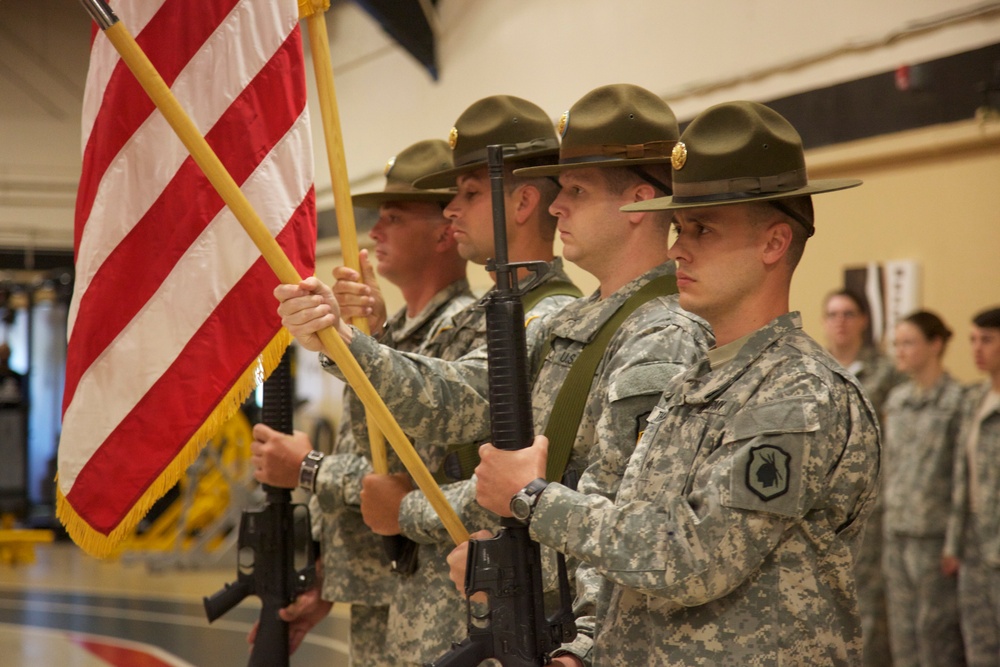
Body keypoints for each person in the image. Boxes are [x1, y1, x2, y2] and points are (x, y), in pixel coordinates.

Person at [473, 100, 881, 665]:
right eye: (681, 226)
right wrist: (586, 647)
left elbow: (696, 556)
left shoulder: (798, 393)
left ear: (774, 243)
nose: (676, 248)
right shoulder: (694, 381)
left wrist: (532, 497)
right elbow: (623, 526)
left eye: (703, 229)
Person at [270, 95, 583, 665]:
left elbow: (456, 404)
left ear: (523, 202)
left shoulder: (548, 316)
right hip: (435, 584)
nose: (453, 211)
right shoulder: (504, 310)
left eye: (467, 194)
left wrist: (346, 341)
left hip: (481, 587)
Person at [249, 138, 475, 664]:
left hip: (434, 588)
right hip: (383, 582)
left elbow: (411, 474)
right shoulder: (401, 335)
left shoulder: (467, 330)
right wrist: (329, 571)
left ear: (445, 230)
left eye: (393, 217)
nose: (374, 231)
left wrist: (307, 468)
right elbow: (372, 454)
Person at [824, 287, 905, 667]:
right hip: (823, 504)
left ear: (864, 321)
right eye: (833, 314)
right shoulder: (816, 370)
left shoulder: (888, 373)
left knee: (868, 598)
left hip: (871, 501)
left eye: (849, 314)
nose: (840, 322)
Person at [881, 310, 966, 667]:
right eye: (897, 343)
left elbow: (963, 477)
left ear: (936, 344)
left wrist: (955, 542)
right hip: (896, 533)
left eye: (909, 343)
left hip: (934, 538)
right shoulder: (897, 401)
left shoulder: (958, 401)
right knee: (902, 637)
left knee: (935, 636)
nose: (900, 351)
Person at [944, 306, 1000, 667]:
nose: (977, 349)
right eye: (973, 340)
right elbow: (961, 480)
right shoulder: (973, 400)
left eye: (988, 340)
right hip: (976, 543)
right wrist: (953, 542)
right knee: (978, 646)